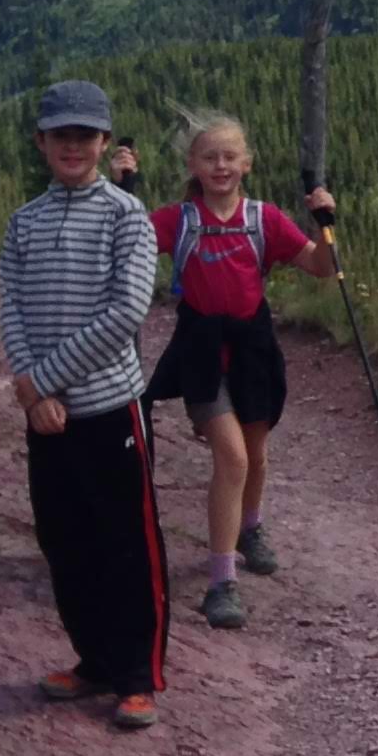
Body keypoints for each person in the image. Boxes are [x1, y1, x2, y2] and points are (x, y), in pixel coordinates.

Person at [0, 81, 168, 730]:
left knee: (128, 543)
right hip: (46, 416)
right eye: (59, 135)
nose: (72, 146)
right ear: (41, 142)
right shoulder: (24, 222)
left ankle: (138, 675)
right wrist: (31, 386)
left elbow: (127, 312)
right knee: (65, 541)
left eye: (85, 135)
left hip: (109, 409)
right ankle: (95, 659)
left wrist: (42, 382)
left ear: (104, 142)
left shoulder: (127, 216)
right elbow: (11, 306)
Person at [141, 114, 334, 631]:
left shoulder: (264, 219)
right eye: (210, 157)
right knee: (233, 457)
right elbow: (124, 244)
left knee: (257, 454)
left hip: (253, 349)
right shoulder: (176, 220)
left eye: (230, 156)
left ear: (246, 163)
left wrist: (327, 220)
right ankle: (221, 583)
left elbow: (323, 267)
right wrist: (123, 186)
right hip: (200, 353)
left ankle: (250, 528)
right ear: (193, 165)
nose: (220, 165)